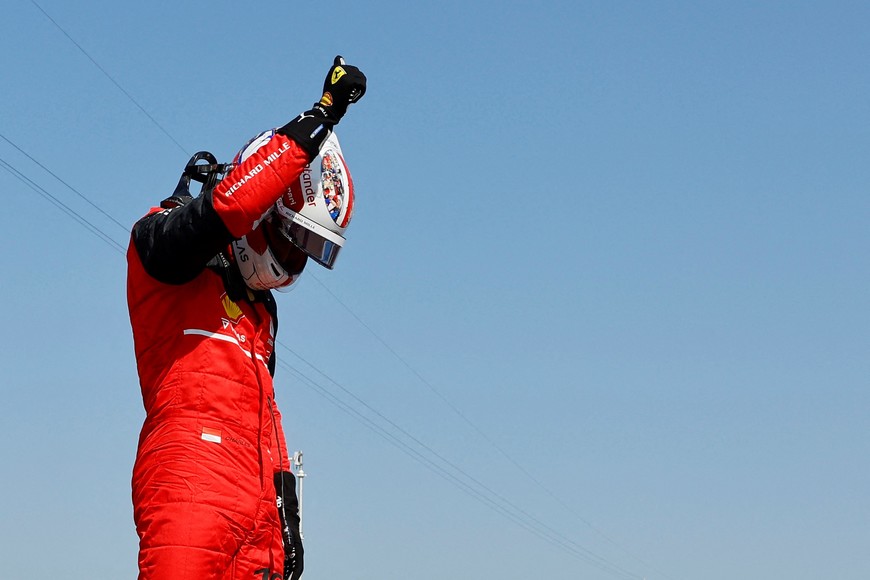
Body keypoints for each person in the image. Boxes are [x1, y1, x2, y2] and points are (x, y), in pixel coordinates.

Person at [126, 56, 366, 580]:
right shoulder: (162, 250)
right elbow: (226, 210)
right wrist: (319, 118)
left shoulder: (261, 312)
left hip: (255, 511)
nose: (296, 259)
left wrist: (287, 519)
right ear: (263, 212)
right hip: (187, 483)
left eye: (312, 248)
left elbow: (266, 423)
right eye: (296, 237)